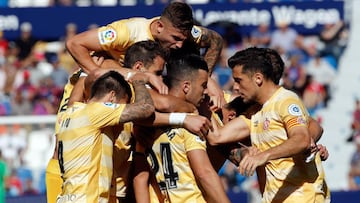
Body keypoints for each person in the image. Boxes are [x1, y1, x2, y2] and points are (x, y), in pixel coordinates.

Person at [206, 47, 330, 202]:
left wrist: (263, 156)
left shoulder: (285, 100)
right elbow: (216, 137)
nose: (235, 87)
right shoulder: (256, 112)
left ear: (258, 78)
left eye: (238, 80)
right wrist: (200, 104)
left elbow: (302, 138)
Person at [131, 54, 230, 203]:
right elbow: (204, 173)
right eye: (203, 85)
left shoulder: (146, 126)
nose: (206, 92)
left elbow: (140, 177)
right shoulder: (193, 121)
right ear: (186, 86)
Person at [56, 70, 155, 203]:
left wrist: (84, 73)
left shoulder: (70, 112)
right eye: (122, 105)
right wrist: (139, 81)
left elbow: (75, 95)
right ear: (112, 97)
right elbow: (146, 108)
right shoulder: (96, 112)